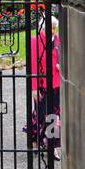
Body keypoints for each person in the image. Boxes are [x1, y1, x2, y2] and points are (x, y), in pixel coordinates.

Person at [28, 16, 61, 156]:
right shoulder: (35, 41)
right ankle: (35, 140)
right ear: (43, 28)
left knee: (54, 116)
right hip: (42, 85)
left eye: (54, 28)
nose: (52, 31)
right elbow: (33, 66)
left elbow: (64, 56)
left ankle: (51, 146)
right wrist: (34, 88)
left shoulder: (59, 39)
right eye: (50, 28)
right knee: (40, 114)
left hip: (56, 83)